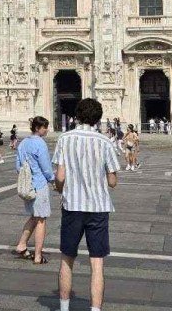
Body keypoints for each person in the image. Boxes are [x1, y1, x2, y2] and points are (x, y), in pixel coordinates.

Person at [53, 98, 119, 311]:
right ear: (98, 118)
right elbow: (112, 181)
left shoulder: (65, 139)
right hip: (98, 208)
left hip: (72, 206)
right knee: (97, 263)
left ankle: (64, 308)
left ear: (77, 115)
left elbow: (60, 176)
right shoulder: (105, 142)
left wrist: (60, 189)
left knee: (67, 259)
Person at [13, 116, 55, 264]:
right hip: (39, 185)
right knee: (41, 220)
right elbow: (46, 167)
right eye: (45, 127)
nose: (47, 130)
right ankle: (38, 256)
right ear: (38, 128)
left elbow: (18, 166)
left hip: (27, 186)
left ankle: (21, 245)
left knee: (34, 216)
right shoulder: (40, 144)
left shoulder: (23, 143)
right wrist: (53, 180)